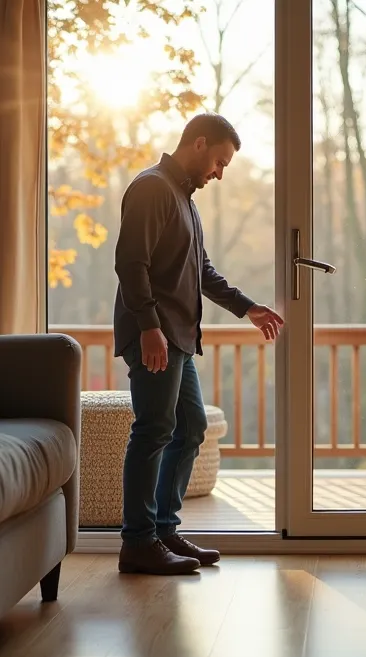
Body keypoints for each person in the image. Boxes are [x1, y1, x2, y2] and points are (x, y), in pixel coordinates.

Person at [112, 113, 284, 575]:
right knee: (152, 431)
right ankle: (138, 543)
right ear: (200, 143)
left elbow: (202, 270)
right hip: (155, 334)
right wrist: (149, 327)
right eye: (220, 162)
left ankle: (164, 531)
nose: (220, 173)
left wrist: (248, 308)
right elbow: (130, 264)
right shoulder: (151, 188)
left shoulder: (184, 199)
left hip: (179, 338)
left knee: (189, 429)